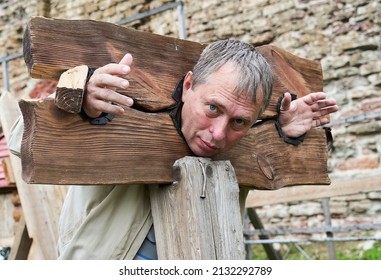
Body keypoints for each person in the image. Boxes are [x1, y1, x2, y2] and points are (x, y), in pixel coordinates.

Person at [9, 39, 338, 260]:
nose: (219, 134)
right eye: (212, 108)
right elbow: (20, 139)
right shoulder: (115, 110)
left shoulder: (248, 137)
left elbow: (283, 154)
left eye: (240, 122)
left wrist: (284, 133)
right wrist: (77, 101)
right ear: (190, 85)